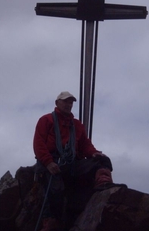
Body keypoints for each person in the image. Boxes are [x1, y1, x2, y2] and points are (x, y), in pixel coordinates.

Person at [33, 91, 113, 231]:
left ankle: (104, 184)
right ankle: (51, 223)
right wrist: (48, 162)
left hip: (71, 163)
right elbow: (38, 144)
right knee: (55, 191)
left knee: (102, 160)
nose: (68, 104)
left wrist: (93, 153)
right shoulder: (46, 120)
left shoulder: (76, 125)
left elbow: (85, 145)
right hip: (52, 162)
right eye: (65, 101)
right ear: (57, 103)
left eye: (70, 102)